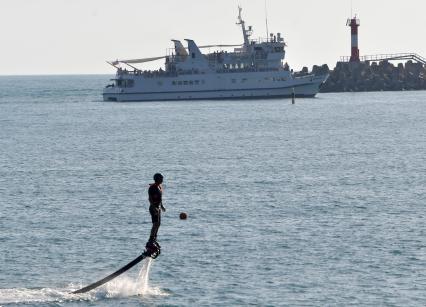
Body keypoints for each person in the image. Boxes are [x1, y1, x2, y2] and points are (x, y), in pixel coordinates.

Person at [148, 173, 166, 245]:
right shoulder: (152, 187)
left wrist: (162, 206)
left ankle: (154, 238)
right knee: (155, 224)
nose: (162, 179)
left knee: (158, 224)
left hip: (158, 208)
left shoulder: (159, 187)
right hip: (153, 208)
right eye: (161, 178)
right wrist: (154, 207)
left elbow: (160, 198)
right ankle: (151, 239)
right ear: (157, 179)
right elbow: (150, 198)